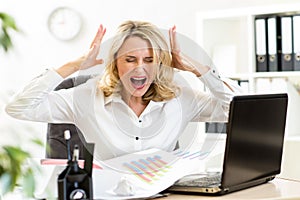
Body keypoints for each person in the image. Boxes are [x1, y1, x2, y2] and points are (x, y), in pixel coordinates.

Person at [5, 20, 242, 161]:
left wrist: (199, 70)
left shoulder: (181, 98)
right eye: (130, 59)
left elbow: (243, 111)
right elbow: (19, 108)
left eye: (149, 59)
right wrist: (75, 65)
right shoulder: (86, 97)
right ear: (115, 63)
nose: (140, 69)